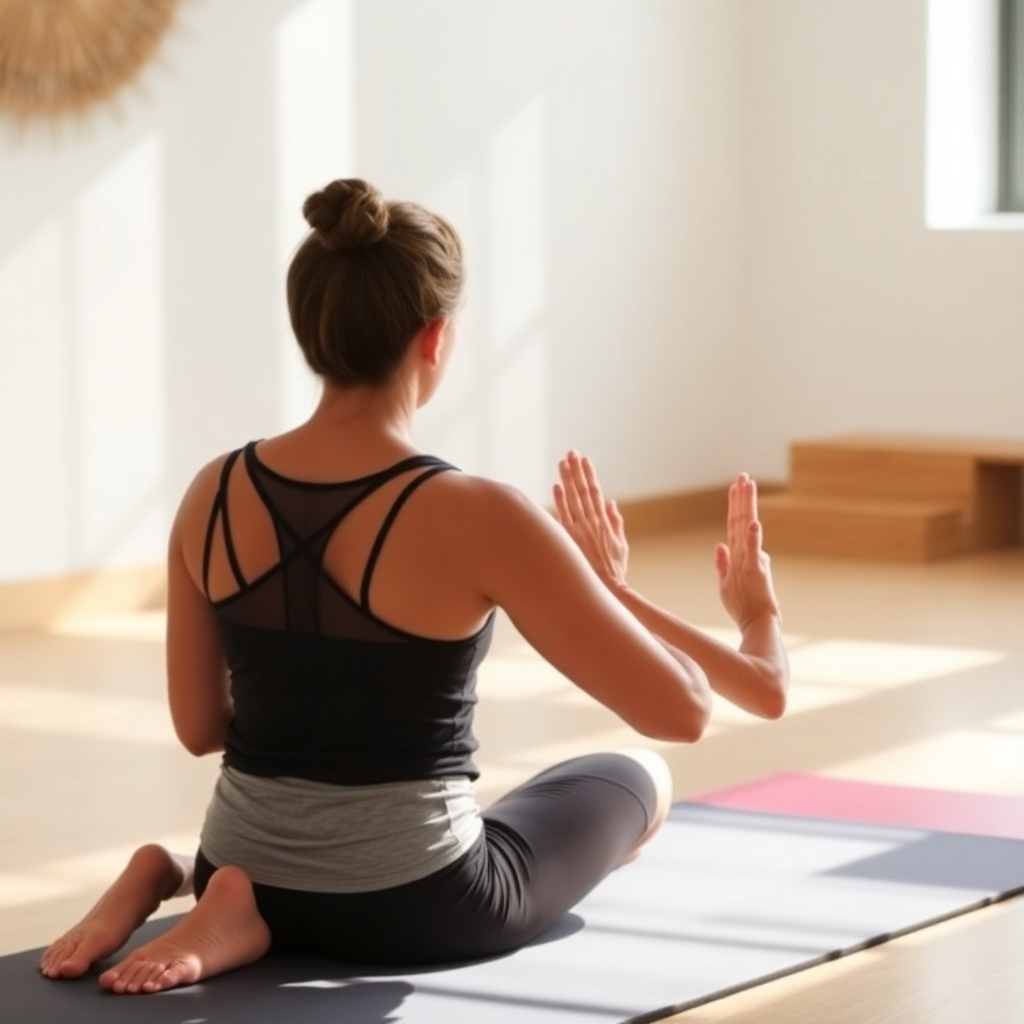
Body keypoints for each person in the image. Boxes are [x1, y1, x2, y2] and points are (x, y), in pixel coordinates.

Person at [39, 178, 789, 995]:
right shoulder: (476, 514)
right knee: (640, 776)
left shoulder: (211, 491)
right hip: (417, 904)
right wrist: (622, 590)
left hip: (241, 862)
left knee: (462, 806)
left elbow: (198, 726)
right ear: (434, 338)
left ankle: (190, 879)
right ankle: (214, 885)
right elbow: (682, 712)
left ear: (311, 333)